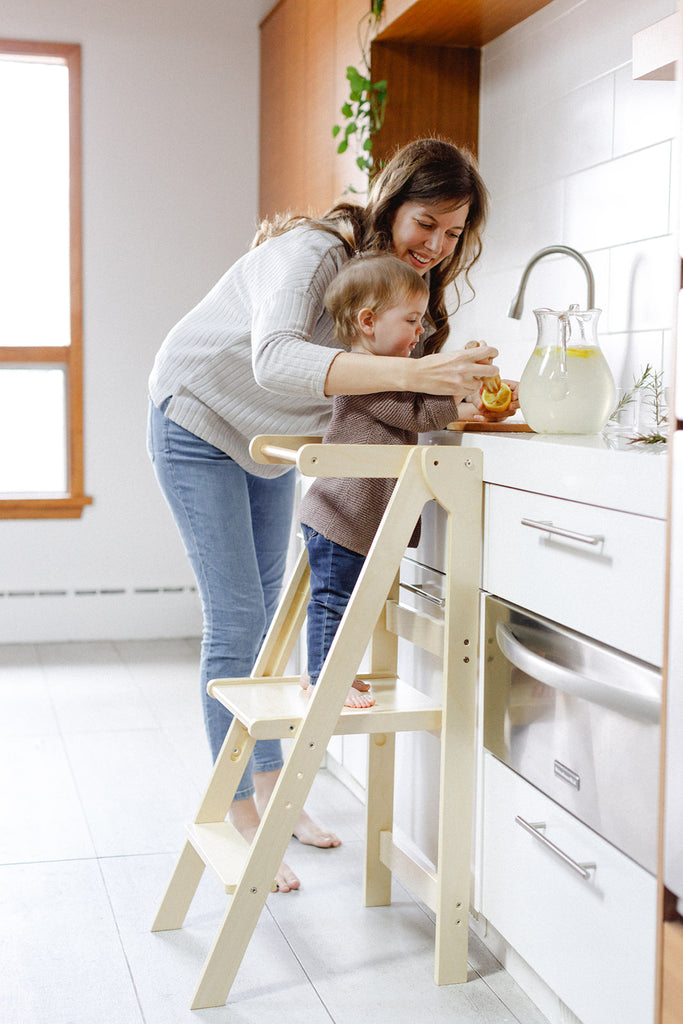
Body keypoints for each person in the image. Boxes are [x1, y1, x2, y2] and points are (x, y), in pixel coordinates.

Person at [147, 137, 518, 892]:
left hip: (264, 440)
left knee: (258, 620)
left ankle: (273, 793)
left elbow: (372, 391)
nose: (436, 247)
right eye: (426, 223)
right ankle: (243, 809)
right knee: (238, 620)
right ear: (391, 200)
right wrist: (419, 371)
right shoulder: (316, 251)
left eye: (453, 235)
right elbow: (274, 359)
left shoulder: (394, 285)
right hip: (194, 415)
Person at [299, 254, 463, 710]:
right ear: (368, 321)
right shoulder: (363, 376)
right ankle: (321, 678)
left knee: (342, 600)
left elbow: (414, 407)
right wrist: (459, 394)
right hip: (340, 517)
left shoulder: (380, 371)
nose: (419, 331)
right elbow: (412, 413)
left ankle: (327, 671)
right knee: (335, 601)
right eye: (411, 319)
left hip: (344, 516)